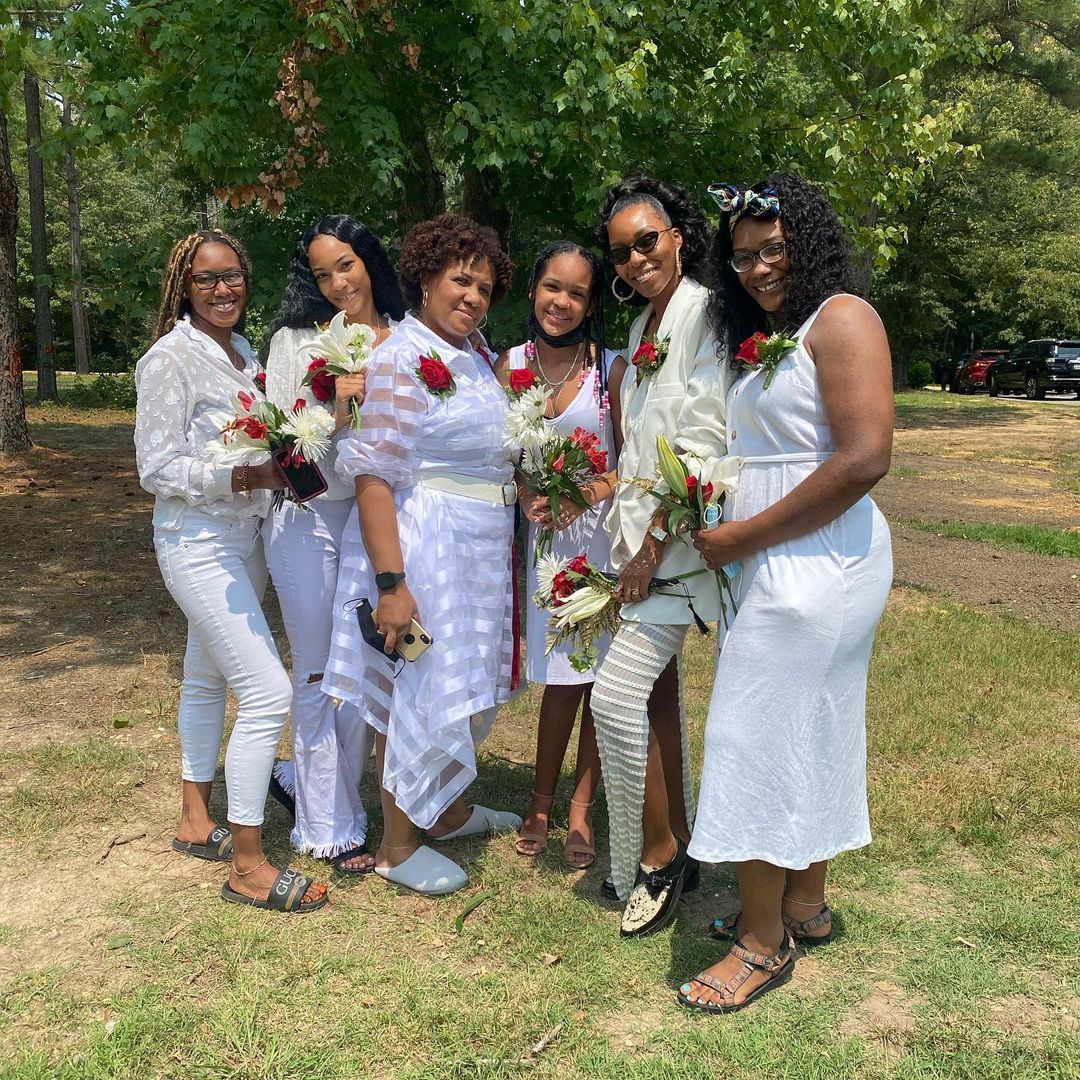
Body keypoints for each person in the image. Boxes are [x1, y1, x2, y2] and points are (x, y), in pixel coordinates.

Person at [677, 175, 893, 1013]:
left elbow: (864, 457)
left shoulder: (843, 318)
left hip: (816, 561)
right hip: (778, 560)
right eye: (742, 258)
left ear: (807, 241)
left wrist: (742, 537)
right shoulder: (776, 334)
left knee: (753, 735)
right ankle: (801, 904)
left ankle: (762, 944)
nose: (759, 268)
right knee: (809, 722)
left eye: (773, 249)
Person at [322, 214, 522, 896]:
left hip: (477, 549)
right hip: (426, 544)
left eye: (485, 288)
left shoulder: (475, 354)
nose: (473, 297)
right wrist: (391, 583)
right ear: (426, 280)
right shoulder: (400, 356)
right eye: (461, 281)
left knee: (457, 684)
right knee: (421, 685)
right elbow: (373, 476)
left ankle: (448, 811)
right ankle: (398, 845)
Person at [134, 229, 326, 913]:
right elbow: (156, 467)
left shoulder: (246, 353)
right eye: (206, 279)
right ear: (184, 288)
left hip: (246, 539)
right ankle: (248, 864)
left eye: (232, 275)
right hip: (196, 541)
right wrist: (246, 475)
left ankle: (195, 818)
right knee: (268, 692)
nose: (222, 289)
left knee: (206, 675)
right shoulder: (170, 358)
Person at [591, 175, 730, 936]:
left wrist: (650, 547)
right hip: (640, 547)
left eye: (648, 240)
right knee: (653, 699)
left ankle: (659, 852)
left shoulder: (706, 314)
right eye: (621, 252)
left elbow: (702, 448)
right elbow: (640, 449)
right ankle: (682, 834)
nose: (637, 258)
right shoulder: (644, 325)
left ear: (677, 236)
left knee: (614, 698)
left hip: (679, 550)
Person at [261, 215, 405, 873]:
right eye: (322, 274)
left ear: (369, 260)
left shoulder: (405, 337)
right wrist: (335, 408)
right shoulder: (295, 342)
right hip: (308, 519)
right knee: (320, 672)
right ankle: (328, 825)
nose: (337, 282)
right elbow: (284, 450)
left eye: (346, 264)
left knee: (361, 667)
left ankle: (307, 780)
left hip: (377, 524)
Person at [501, 242, 626, 869]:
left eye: (577, 293)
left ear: (591, 302)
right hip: (546, 545)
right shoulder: (509, 365)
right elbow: (498, 454)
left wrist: (587, 492)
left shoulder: (612, 370)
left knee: (599, 678)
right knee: (558, 678)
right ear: (533, 290)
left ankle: (581, 807)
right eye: (553, 287)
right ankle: (540, 800)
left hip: (601, 540)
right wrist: (526, 490)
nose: (562, 302)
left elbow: (634, 460)